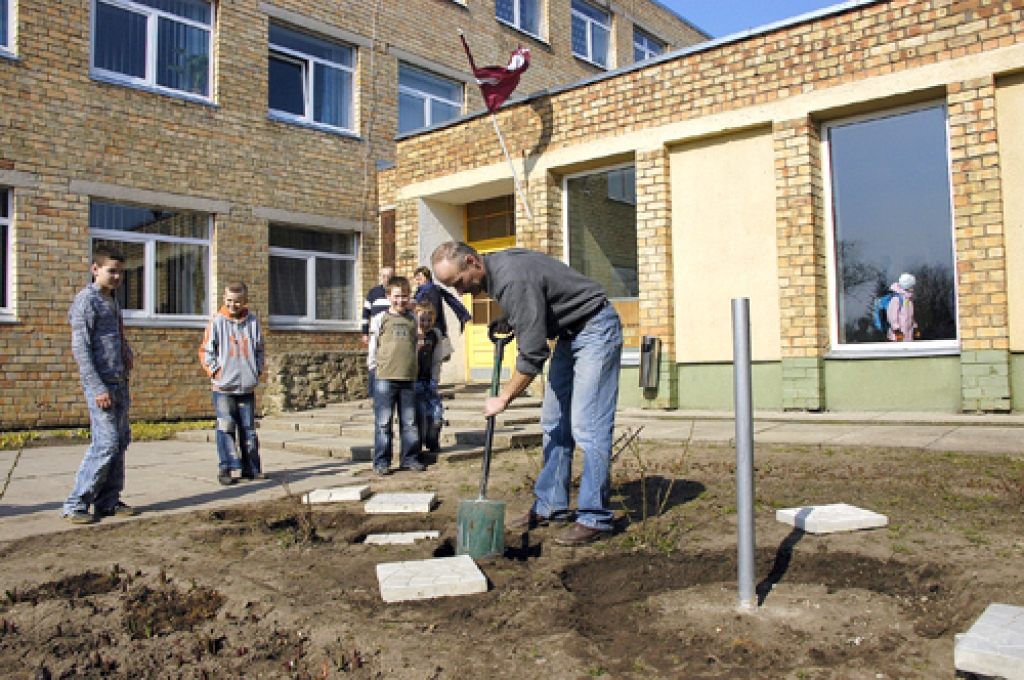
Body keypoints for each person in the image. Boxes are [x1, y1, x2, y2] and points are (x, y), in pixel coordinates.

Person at [432, 242, 623, 545]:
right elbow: (537, 296)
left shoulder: (511, 279)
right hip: (568, 334)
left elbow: (533, 354)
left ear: (471, 261)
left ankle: (595, 517)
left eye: (459, 282)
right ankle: (551, 505)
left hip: (595, 328)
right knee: (554, 422)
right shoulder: (495, 269)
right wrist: (512, 318)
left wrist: (504, 397)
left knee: (588, 425)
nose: (460, 292)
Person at [62, 245, 140, 524]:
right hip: (102, 385)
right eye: (111, 271)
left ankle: (108, 501)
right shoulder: (87, 301)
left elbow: (115, 335)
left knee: (120, 442)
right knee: (105, 443)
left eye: (121, 272)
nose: (117, 277)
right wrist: (97, 388)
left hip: (119, 382)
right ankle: (76, 503)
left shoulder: (113, 300)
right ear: (95, 269)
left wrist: (126, 352)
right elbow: (81, 349)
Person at [200, 282, 265, 485]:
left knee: (248, 429)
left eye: (237, 301)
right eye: (229, 301)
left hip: (246, 386)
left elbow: (260, 349)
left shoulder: (252, 322)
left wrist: (257, 370)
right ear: (223, 299)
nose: (232, 305)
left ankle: (251, 469)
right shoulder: (217, 322)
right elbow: (206, 351)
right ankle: (226, 468)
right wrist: (215, 372)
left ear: (245, 301)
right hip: (224, 387)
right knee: (226, 427)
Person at [367, 276, 425, 475]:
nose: (401, 300)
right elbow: (373, 344)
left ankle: (409, 459)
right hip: (385, 376)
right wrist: (372, 367)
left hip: (408, 377)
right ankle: (382, 462)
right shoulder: (380, 318)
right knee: (383, 422)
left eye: (405, 296)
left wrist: (415, 368)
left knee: (409, 423)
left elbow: (414, 346)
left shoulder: (413, 319)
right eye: (397, 296)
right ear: (388, 296)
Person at [414, 300, 447, 454]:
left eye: (429, 320)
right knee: (420, 414)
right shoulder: (413, 335)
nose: (426, 324)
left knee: (436, 413)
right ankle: (418, 444)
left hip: (429, 380)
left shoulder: (435, 335)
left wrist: (434, 378)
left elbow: (437, 359)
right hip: (415, 381)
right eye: (422, 320)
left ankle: (433, 441)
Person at [361, 267, 395, 398]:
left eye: (389, 276)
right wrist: (365, 333)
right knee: (373, 361)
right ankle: (373, 394)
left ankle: (388, 392)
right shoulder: (373, 293)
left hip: (391, 335)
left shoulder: (396, 294)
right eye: (384, 276)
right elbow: (365, 314)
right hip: (376, 333)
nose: (387, 279)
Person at [413, 266, 472, 339]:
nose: (418, 282)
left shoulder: (432, 290)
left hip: (432, 328)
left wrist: (426, 321)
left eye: (419, 279)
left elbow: (435, 309)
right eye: (416, 280)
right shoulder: (419, 292)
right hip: (424, 327)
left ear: (427, 278)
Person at [887, 272, 917, 342]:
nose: (913, 288)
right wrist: (896, 329)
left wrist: (914, 326)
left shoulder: (908, 299)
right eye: (912, 286)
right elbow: (892, 315)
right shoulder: (896, 299)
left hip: (907, 336)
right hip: (897, 337)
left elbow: (910, 316)